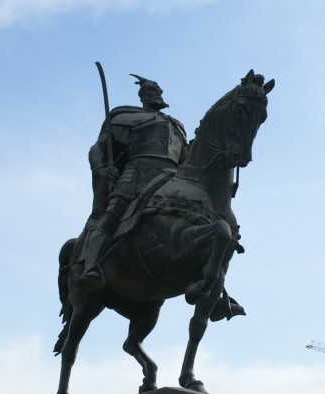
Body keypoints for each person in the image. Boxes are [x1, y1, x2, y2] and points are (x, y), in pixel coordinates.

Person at [78, 74, 244, 321]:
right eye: (151, 91)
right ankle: (92, 267)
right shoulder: (124, 117)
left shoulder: (176, 126)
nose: (156, 94)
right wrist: (101, 169)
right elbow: (98, 149)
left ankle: (217, 292)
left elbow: (187, 157)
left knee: (218, 224)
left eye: (158, 90)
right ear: (143, 96)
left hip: (171, 179)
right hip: (137, 175)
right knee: (113, 214)